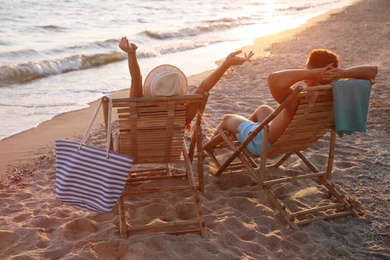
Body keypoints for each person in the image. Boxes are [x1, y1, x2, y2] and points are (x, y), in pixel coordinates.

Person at [212, 49, 378, 156]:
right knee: (263, 108)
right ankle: (242, 136)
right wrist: (343, 73)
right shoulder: (338, 95)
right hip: (295, 141)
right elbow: (373, 71)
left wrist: (312, 73)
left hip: (261, 143)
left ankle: (212, 146)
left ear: (312, 73)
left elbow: (273, 79)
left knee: (227, 118)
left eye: (307, 70)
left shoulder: (301, 101)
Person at [118, 36, 254, 128]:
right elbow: (203, 88)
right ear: (178, 90)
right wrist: (226, 64)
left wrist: (131, 53)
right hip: (168, 151)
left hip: (138, 150)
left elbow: (136, 80)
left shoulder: (139, 107)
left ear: (151, 88)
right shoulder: (183, 116)